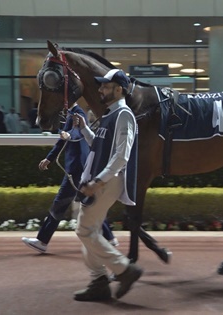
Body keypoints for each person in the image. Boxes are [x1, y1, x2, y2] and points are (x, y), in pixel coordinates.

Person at [71, 69, 142, 301]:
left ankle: (123, 269)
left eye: (105, 86)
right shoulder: (111, 114)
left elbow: (122, 155)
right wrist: (84, 128)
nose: (100, 89)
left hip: (106, 181)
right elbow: (99, 145)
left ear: (119, 89)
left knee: (84, 229)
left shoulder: (124, 114)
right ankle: (99, 282)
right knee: (90, 230)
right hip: (99, 180)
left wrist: (98, 181)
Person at [21, 102, 118, 253]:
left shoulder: (77, 112)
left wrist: (68, 136)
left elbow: (77, 133)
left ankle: (42, 240)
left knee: (60, 204)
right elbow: (63, 139)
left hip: (77, 168)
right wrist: (49, 158)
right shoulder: (70, 114)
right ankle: (109, 237)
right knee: (89, 203)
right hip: (79, 167)